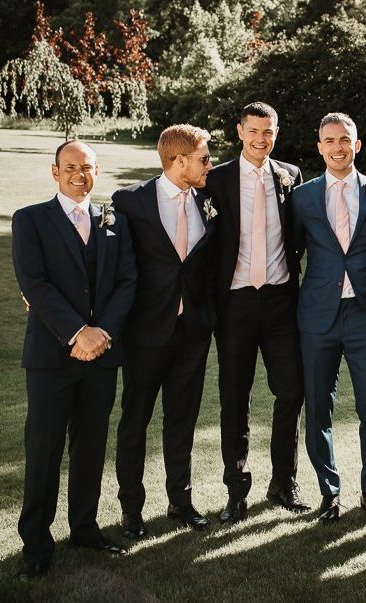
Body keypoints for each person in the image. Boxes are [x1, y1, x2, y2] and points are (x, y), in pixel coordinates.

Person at [12, 140, 136, 580]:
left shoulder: (112, 220)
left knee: (90, 448)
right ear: (54, 171)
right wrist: (76, 333)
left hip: (101, 355)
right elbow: (35, 284)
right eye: (70, 167)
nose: (78, 174)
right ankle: (36, 545)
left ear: (97, 172)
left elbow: (127, 283)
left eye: (87, 168)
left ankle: (84, 527)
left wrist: (101, 334)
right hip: (51, 357)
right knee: (43, 451)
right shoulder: (30, 220)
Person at [203, 101, 309, 523]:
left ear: (276, 133)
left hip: (282, 300)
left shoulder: (291, 175)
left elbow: (301, 230)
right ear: (239, 131)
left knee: (292, 392)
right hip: (236, 303)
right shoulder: (217, 179)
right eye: (254, 130)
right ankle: (236, 490)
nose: (261, 138)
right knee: (235, 397)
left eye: (269, 131)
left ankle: (284, 481)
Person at [292, 113, 366, 521]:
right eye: (329, 140)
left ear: (357, 145)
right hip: (317, 316)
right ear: (319, 147)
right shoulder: (302, 197)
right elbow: (291, 253)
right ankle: (329, 492)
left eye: (345, 140)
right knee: (318, 407)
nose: (337, 147)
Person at [113, 124, 216, 539]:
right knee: (134, 421)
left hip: (192, 330)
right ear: (178, 161)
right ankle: (131, 510)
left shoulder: (209, 201)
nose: (211, 165)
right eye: (205, 158)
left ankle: (181, 500)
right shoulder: (130, 202)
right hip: (144, 332)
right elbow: (107, 260)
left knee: (183, 419)